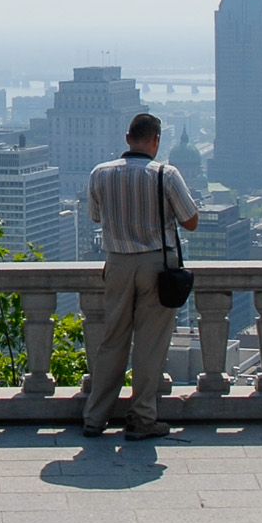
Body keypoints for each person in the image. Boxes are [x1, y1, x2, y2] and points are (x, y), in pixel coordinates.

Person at [82, 111, 199, 440]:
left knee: (112, 340)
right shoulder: (166, 174)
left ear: (127, 138)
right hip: (155, 265)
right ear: (156, 140)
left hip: (117, 263)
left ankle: (95, 417)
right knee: (149, 345)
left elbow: (94, 217)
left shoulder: (99, 174)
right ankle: (142, 418)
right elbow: (191, 221)